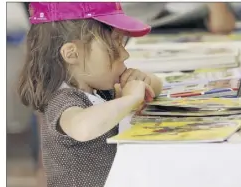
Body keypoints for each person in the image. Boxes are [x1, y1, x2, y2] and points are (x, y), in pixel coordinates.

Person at [17, 2, 163, 187]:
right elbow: (82, 127)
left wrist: (142, 82)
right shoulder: (63, 101)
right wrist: (130, 99)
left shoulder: (100, 91)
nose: (125, 55)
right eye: (113, 47)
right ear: (72, 53)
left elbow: (158, 85)